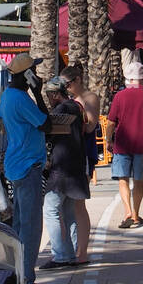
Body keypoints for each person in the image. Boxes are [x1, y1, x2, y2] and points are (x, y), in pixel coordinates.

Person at [0, 53, 53, 284]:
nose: (37, 75)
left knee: (20, 224)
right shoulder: (22, 98)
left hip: (15, 165)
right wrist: (38, 93)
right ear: (27, 75)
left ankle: (17, 275)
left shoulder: (7, 96)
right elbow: (46, 124)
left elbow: (0, 120)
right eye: (34, 72)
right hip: (28, 166)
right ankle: (27, 280)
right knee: (31, 227)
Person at [41, 76, 90, 269]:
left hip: (61, 168)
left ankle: (60, 255)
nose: (48, 99)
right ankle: (71, 254)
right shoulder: (77, 107)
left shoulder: (61, 110)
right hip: (76, 165)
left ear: (55, 94)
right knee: (69, 212)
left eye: (48, 95)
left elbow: (47, 130)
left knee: (51, 209)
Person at [106, 62, 143, 228]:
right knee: (138, 180)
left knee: (123, 179)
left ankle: (127, 212)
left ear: (128, 79)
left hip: (122, 144)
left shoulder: (119, 96)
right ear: (142, 79)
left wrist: (109, 140)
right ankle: (136, 214)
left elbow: (111, 122)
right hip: (141, 144)